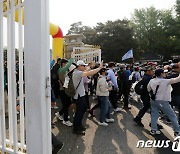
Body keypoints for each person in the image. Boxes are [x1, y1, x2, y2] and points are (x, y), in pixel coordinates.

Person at [72, 60, 103, 135]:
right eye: (83, 65)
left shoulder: (77, 71)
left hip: (81, 94)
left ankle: (79, 125)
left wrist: (91, 66)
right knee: (79, 112)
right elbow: (89, 72)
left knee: (84, 109)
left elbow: (88, 69)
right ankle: (76, 128)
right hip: (78, 95)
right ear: (79, 66)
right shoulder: (77, 73)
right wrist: (99, 68)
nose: (85, 67)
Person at [147, 68, 180, 136]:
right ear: (161, 74)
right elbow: (177, 79)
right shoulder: (165, 81)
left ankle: (153, 129)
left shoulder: (152, 80)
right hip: (163, 101)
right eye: (164, 73)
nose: (165, 74)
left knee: (154, 115)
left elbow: (148, 89)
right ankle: (177, 131)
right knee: (172, 116)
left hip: (153, 100)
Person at [55, 51, 75, 127]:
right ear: (63, 64)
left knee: (67, 104)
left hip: (64, 89)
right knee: (66, 105)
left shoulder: (63, 70)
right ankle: (65, 120)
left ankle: (59, 114)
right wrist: (72, 58)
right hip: (62, 90)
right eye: (66, 63)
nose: (67, 65)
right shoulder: (61, 70)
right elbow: (68, 66)